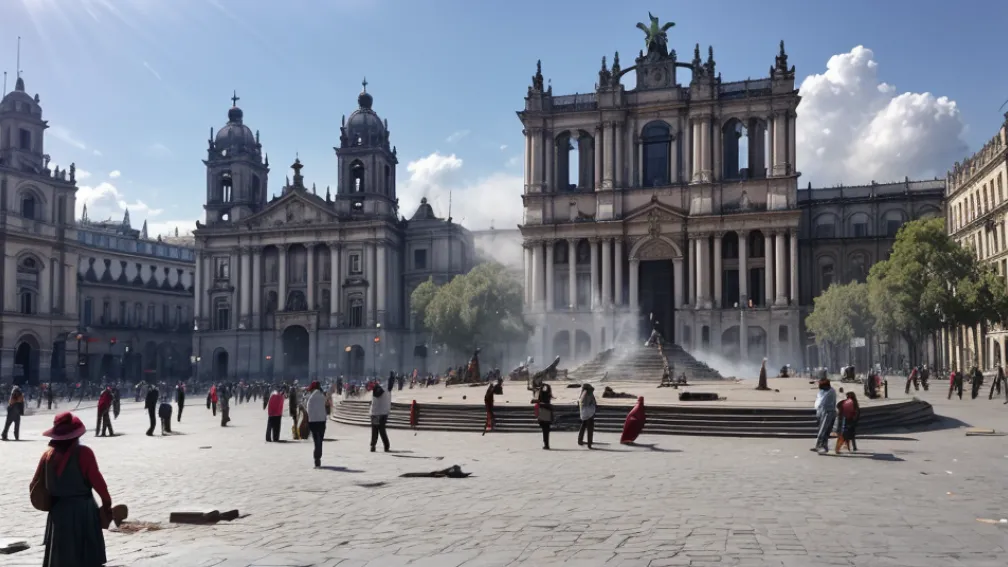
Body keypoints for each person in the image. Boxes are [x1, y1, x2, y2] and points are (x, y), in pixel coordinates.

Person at [31, 412, 111, 566]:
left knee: (61, 556)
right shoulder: (84, 453)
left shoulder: (47, 456)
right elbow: (98, 483)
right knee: (86, 557)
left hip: (58, 511)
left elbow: (35, 484)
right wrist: (107, 503)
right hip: (83, 512)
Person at [306, 381, 328, 468]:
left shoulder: (311, 398)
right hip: (322, 421)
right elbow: (326, 406)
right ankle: (318, 457)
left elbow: (308, 410)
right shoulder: (322, 396)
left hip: (313, 422)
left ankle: (317, 458)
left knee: (316, 441)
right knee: (320, 441)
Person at [813, 378, 837, 453]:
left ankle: (818, 445)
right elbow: (818, 400)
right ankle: (824, 446)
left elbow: (822, 401)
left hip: (828, 412)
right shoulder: (824, 391)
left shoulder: (831, 392)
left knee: (823, 430)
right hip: (823, 411)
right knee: (824, 430)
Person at [369, 382, 391, 452]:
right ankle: (386, 446)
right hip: (383, 413)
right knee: (382, 430)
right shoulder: (386, 390)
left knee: (374, 430)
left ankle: (373, 446)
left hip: (375, 413)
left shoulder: (374, 391)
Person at [534, 383, 554, 450]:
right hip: (548, 412)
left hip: (542, 413)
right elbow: (549, 390)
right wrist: (547, 386)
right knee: (547, 430)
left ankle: (546, 444)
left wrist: (540, 388)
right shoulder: (548, 395)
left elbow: (536, 399)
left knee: (544, 430)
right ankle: (547, 444)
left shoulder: (541, 395)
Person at [578, 383, 597, 449]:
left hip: (584, 413)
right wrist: (592, 407)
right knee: (590, 428)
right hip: (589, 413)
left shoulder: (583, 393)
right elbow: (590, 403)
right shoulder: (588, 393)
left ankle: (580, 440)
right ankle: (589, 443)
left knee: (583, 426)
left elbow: (580, 402)